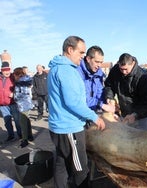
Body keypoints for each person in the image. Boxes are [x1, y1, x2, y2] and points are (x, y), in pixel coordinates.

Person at [47, 36, 105, 188]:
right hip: (70, 128)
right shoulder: (67, 71)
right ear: (70, 50)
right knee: (80, 170)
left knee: (61, 164)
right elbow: (73, 102)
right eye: (80, 52)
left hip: (57, 127)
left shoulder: (55, 68)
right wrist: (94, 117)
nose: (82, 56)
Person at [104, 53, 147, 130]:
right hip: (125, 114)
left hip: (143, 116)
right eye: (121, 69)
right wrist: (109, 97)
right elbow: (109, 85)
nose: (123, 72)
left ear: (132, 64)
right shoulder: (115, 71)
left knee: (141, 139)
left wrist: (135, 115)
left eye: (126, 69)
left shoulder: (144, 78)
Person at [77, 45, 114, 113]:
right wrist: (102, 105)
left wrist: (107, 106)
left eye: (101, 62)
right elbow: (81, 98)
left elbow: (100, 93)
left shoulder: (98, 73)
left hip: (92, 113)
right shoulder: (77, 72)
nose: (99, 65)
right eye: (97, 62)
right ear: (88, 59)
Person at [13, 67, 34, 148]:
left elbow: (24, 95)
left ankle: (25, 139)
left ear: (17, 74)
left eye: (14, 74)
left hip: (23, 104)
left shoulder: (21, 82)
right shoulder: (25, 81)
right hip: (25, 104)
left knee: (23, 123)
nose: (14, 76)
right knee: (26, 120)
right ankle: (30, 136)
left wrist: (14, 97)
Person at [0, 62, 21, 141]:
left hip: (13, 103)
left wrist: (14, 93)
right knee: (7, 121)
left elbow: (21, 88)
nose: (7, 72)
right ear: (1, 70)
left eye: (8, 70)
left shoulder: (14, 77)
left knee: (17, 120)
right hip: (2, 105)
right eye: (5, 70)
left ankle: (20, 135)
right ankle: (11, 135)